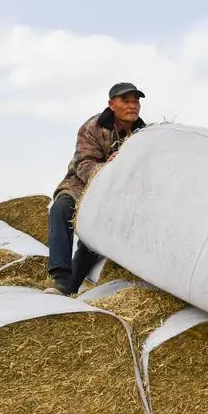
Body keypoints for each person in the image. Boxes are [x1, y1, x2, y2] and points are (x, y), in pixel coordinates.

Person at [44, 83, 146, 295]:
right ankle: (60, 277)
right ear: (111, 104)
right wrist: (108, 167)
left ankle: (70, 286)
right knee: (61, 209)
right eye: (125, 101)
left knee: (96, 238)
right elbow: (84, 163)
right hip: (81, 184)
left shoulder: (144, 135)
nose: (132, 106)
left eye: (135, 101)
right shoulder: (92, 127)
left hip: (117, 194)